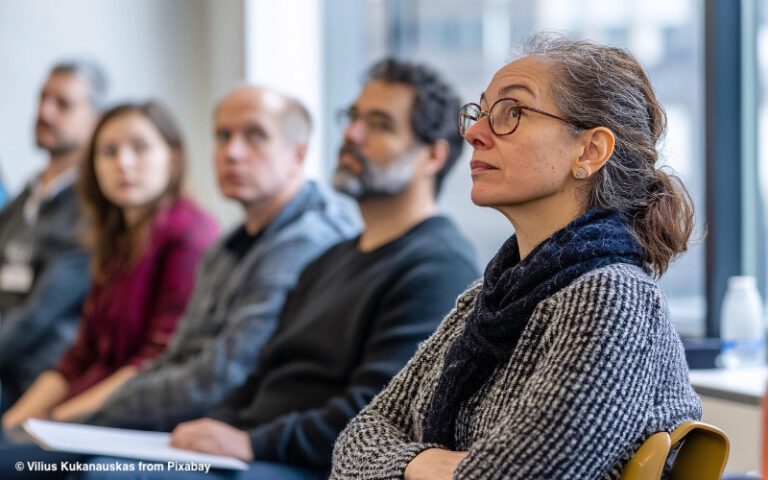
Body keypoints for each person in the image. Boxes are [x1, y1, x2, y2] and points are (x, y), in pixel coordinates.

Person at [78, 58, 479, 480]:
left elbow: (378, 415)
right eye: (352, 117)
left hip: (311, 463)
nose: (351, 135)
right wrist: (213, 425)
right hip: (255, 449)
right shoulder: (332, 258)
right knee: (91, 464)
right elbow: (259, 376)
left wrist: (252, 442)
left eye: (379, 124)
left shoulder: (438, 266)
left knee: (109, 475)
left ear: (433, 155)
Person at [331, 34, 703, 480]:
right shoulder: (488, 299)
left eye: (512, 113)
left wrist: (409, 462)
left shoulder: (613, 298)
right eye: (480, 113)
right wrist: (432, 465)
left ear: (589, 150)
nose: (473, 133)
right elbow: (353, 446)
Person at [76, 86, 358, 430]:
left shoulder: (311, 239)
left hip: (256, 432)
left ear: (298, 155)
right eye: (223, 136)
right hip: (201, 423)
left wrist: (90, 418)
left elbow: (220, 377)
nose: (232, 153)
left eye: (256, 135)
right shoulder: (225, 247)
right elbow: (176, 356)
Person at [1, 101, 218, 431]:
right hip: (84, 406)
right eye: (109, 152)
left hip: (136, 418)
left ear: (173, 158)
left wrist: (57, 422)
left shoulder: (188, 233)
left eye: (140, 148)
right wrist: (14, 423)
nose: (123, 163)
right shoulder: (113, 237)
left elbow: (155, 362)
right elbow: (78, 357)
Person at [0, 60, 106, 411]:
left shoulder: (91, 208)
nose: (45, 112)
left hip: (32, 376)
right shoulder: (23, 199)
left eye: (63, 104)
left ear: (94, 120)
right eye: (43, 99)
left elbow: (39, 315)